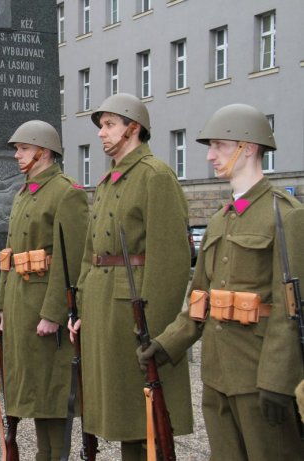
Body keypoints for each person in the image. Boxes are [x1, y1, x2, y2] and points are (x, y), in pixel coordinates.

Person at [138, 104, 304, 460]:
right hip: (217, 376)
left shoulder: (286, 215)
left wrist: (278, 379)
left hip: (259, 376)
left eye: (219, 145)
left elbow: (291, 310)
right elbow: (199, 300)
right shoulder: (219, 220)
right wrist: (167, 345)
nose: (210, 155)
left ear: (250, 147)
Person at [70, 93, 193, 461]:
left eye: (109, 125)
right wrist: (78, 307)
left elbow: (170, 262)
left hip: (133, 310)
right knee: (118, 408)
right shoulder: (108, 180)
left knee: (142, 414)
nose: (101, 134)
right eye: (101, 126)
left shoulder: (155, 176)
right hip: (102, 305)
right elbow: (91, 252)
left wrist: (156, 330)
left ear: (133, 128)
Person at [0, 120, 89, 460]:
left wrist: (55, 312)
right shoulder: (25, 191)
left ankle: (55, 455)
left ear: (44, 151)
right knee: (33, 390)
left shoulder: (66, 192)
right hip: (21, 304)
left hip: (44, 309)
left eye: (23, 148)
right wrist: (4, 305)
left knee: (53, 390)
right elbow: (10, 254)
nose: (17, 155)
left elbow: (71, 259)